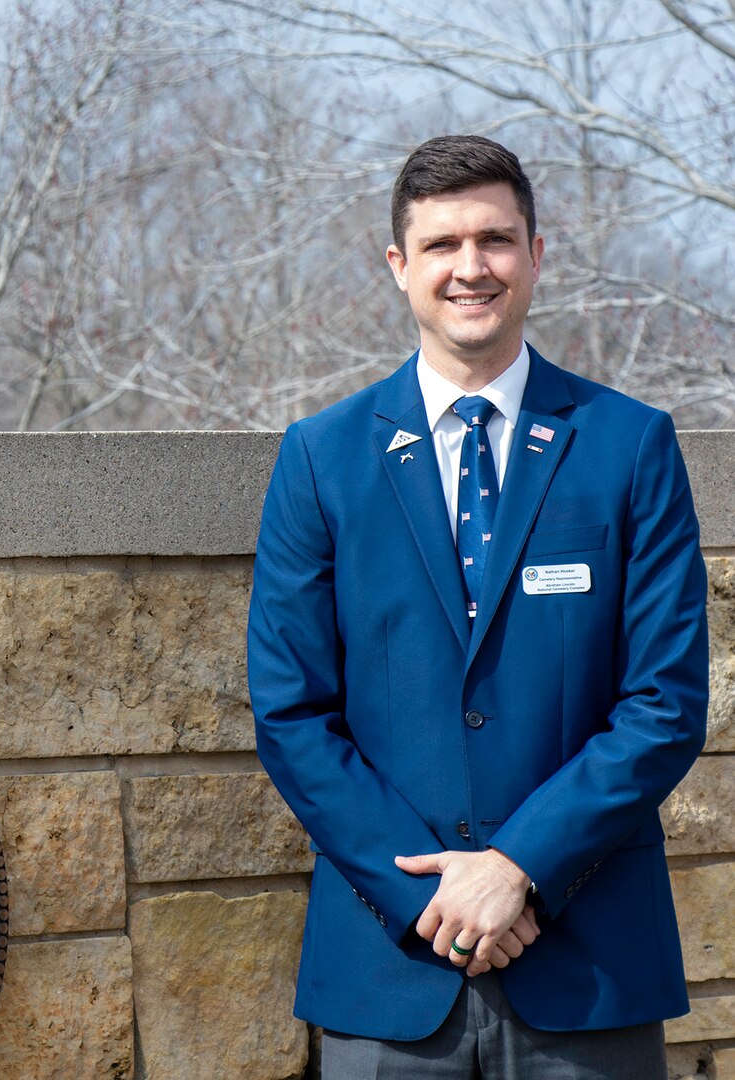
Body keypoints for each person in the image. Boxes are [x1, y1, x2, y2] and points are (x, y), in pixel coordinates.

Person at [246, 135, 708, 1079]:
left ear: (536, 254)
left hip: (587, 969)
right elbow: (291, 713)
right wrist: (434, 896)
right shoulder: (321, 459)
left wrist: (516, 868)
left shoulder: (628, 448)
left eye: (495, 240)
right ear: (399, 267)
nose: (471, 268)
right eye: (442, 245)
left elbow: (664, 704)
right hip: (388, 968)